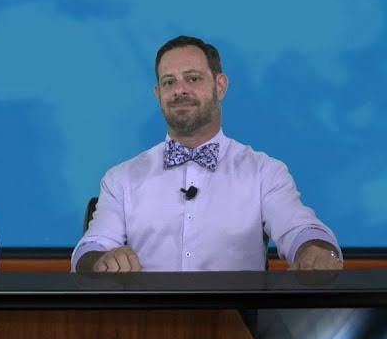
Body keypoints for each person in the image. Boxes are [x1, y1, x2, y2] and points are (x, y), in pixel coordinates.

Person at [73, 35, 341, 273]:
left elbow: (298, 229)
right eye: (169, 82)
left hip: (235, 315)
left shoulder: (265, 172)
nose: (180, 90)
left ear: (220, 85)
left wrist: (312, 251)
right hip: (148, 315)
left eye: (193, 78)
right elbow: (90, 249)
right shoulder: (120, 179)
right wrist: (100, 261)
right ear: (158, 94)